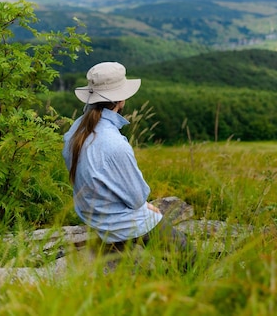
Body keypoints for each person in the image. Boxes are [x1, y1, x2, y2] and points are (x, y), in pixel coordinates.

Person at [62, 62, 194, 268]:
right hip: (121, 224)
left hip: (91, 215)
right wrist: (146, 207)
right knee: (191, 255)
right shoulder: (115, 143)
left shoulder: (74, 130)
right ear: (121, 100)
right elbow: (137, 198)